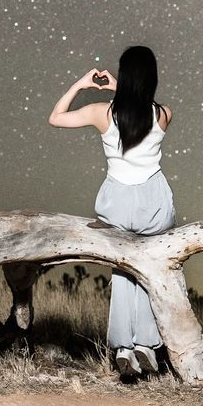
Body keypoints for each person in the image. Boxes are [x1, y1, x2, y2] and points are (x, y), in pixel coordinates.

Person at [47, 45, 174, 380]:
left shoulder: (101, 112)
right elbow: (138, 104)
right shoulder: (163, 114)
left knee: (123, 270)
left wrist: (81, 84)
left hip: (118, 203)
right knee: (147, 269)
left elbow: (55, 117)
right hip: (154, 203)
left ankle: (122, 349)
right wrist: (123, 86)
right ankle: (147, 345)